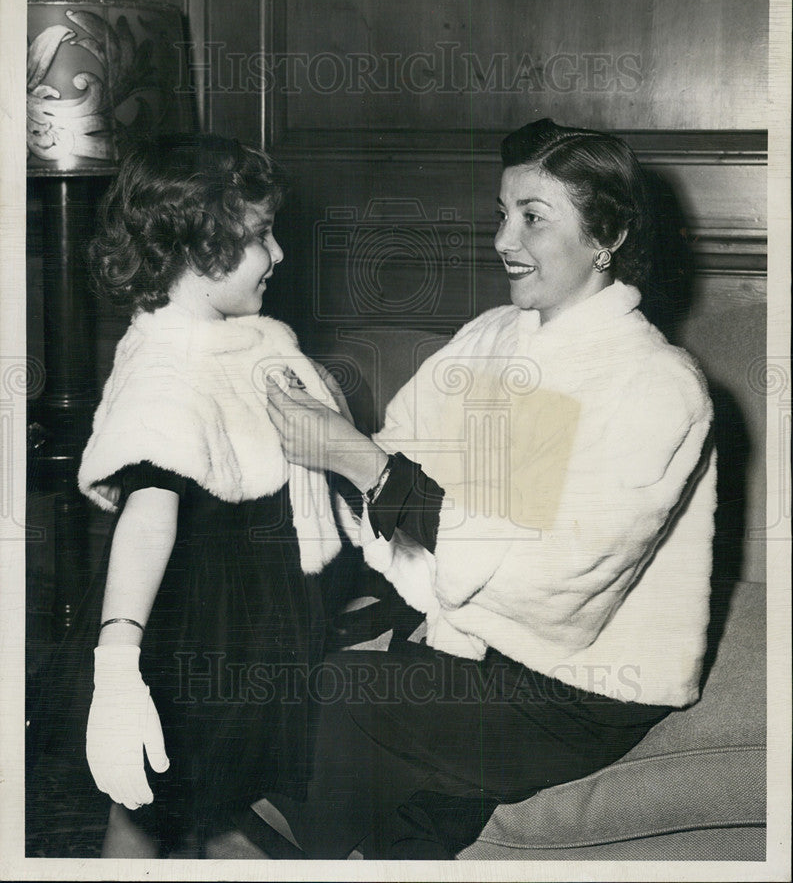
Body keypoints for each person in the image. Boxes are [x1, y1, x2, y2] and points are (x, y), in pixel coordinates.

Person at [261, 118, 717, 859]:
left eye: (532, 219)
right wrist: (312, 432)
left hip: (578, 684)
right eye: (501, 215)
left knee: (330, 701)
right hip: (471, 635)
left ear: (608, 239)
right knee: (290, 684)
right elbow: (400, 456)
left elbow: (555, 579)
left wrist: (364, 467)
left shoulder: (657, 386)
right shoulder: (491, 334)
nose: (504, 241)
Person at [29, 133, 355, 857]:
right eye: (259, 236)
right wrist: (117, 666)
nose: (277, 255)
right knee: (145, 809)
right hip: (195, 627)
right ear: (195, 247)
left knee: (222, 804)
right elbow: (148, 518)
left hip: (261, 616)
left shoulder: (248, 341)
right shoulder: (165, 368)